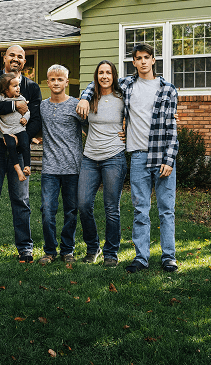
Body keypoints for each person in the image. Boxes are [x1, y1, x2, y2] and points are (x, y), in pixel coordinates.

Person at [77, 43, 179, 273]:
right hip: (138, 156)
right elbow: (98, 84)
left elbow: (172, 127)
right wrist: (84, 97)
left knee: (166, 210)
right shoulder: (126, 85)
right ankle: (141, 257)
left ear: (153, 60)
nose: (143, 61)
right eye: (138, 58)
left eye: (147, 57)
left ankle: (168, 257)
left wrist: (169, 159)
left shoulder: (168, 89)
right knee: (141, 209)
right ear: (133, 62)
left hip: (161, 156)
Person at [0, 45, 42, 264]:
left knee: (21, 199)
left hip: (19, 148)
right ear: (4, 58)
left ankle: (25, 248)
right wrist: (16, 104)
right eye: (12, 55)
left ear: (25, 62)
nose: (16, 59)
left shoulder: (31, 87)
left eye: (20, 56)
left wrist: (20, 136)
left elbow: (36, 118)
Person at [77, 60, 126, 267]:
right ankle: (92, 247)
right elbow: (83, 122)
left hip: (114, 157)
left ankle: (111, 253)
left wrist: (128, 134)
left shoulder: (122, 97)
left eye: (108, 73)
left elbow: (138, 118)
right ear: (96, 76)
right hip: (89, 158)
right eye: (100, 73)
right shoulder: (90, 98)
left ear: (114, 75)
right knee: (83, 204)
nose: (104, 76)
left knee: (111, 208)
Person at [37, 65, 85, 265]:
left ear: (67, 82)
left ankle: (67, 250)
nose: (56, 83)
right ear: (47, 83)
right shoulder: (42, 106)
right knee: (47, 210)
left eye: (60, 79)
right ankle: (49, 251)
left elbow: (93, 127)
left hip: (73, 168)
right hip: (49, 169)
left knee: (71, 211)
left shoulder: (76, 105)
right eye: (52, 79)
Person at [0, 73, 31, 182]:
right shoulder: (0, 98)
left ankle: (27, 166)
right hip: (7, 130)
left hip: (20, 128)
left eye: (18, 85)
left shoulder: (21, 98)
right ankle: (18, 171)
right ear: (5, 89)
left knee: (25, 144)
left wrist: (26, 118)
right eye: (15, 86)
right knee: (11, 145)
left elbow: (27, 111)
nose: (18, 88)